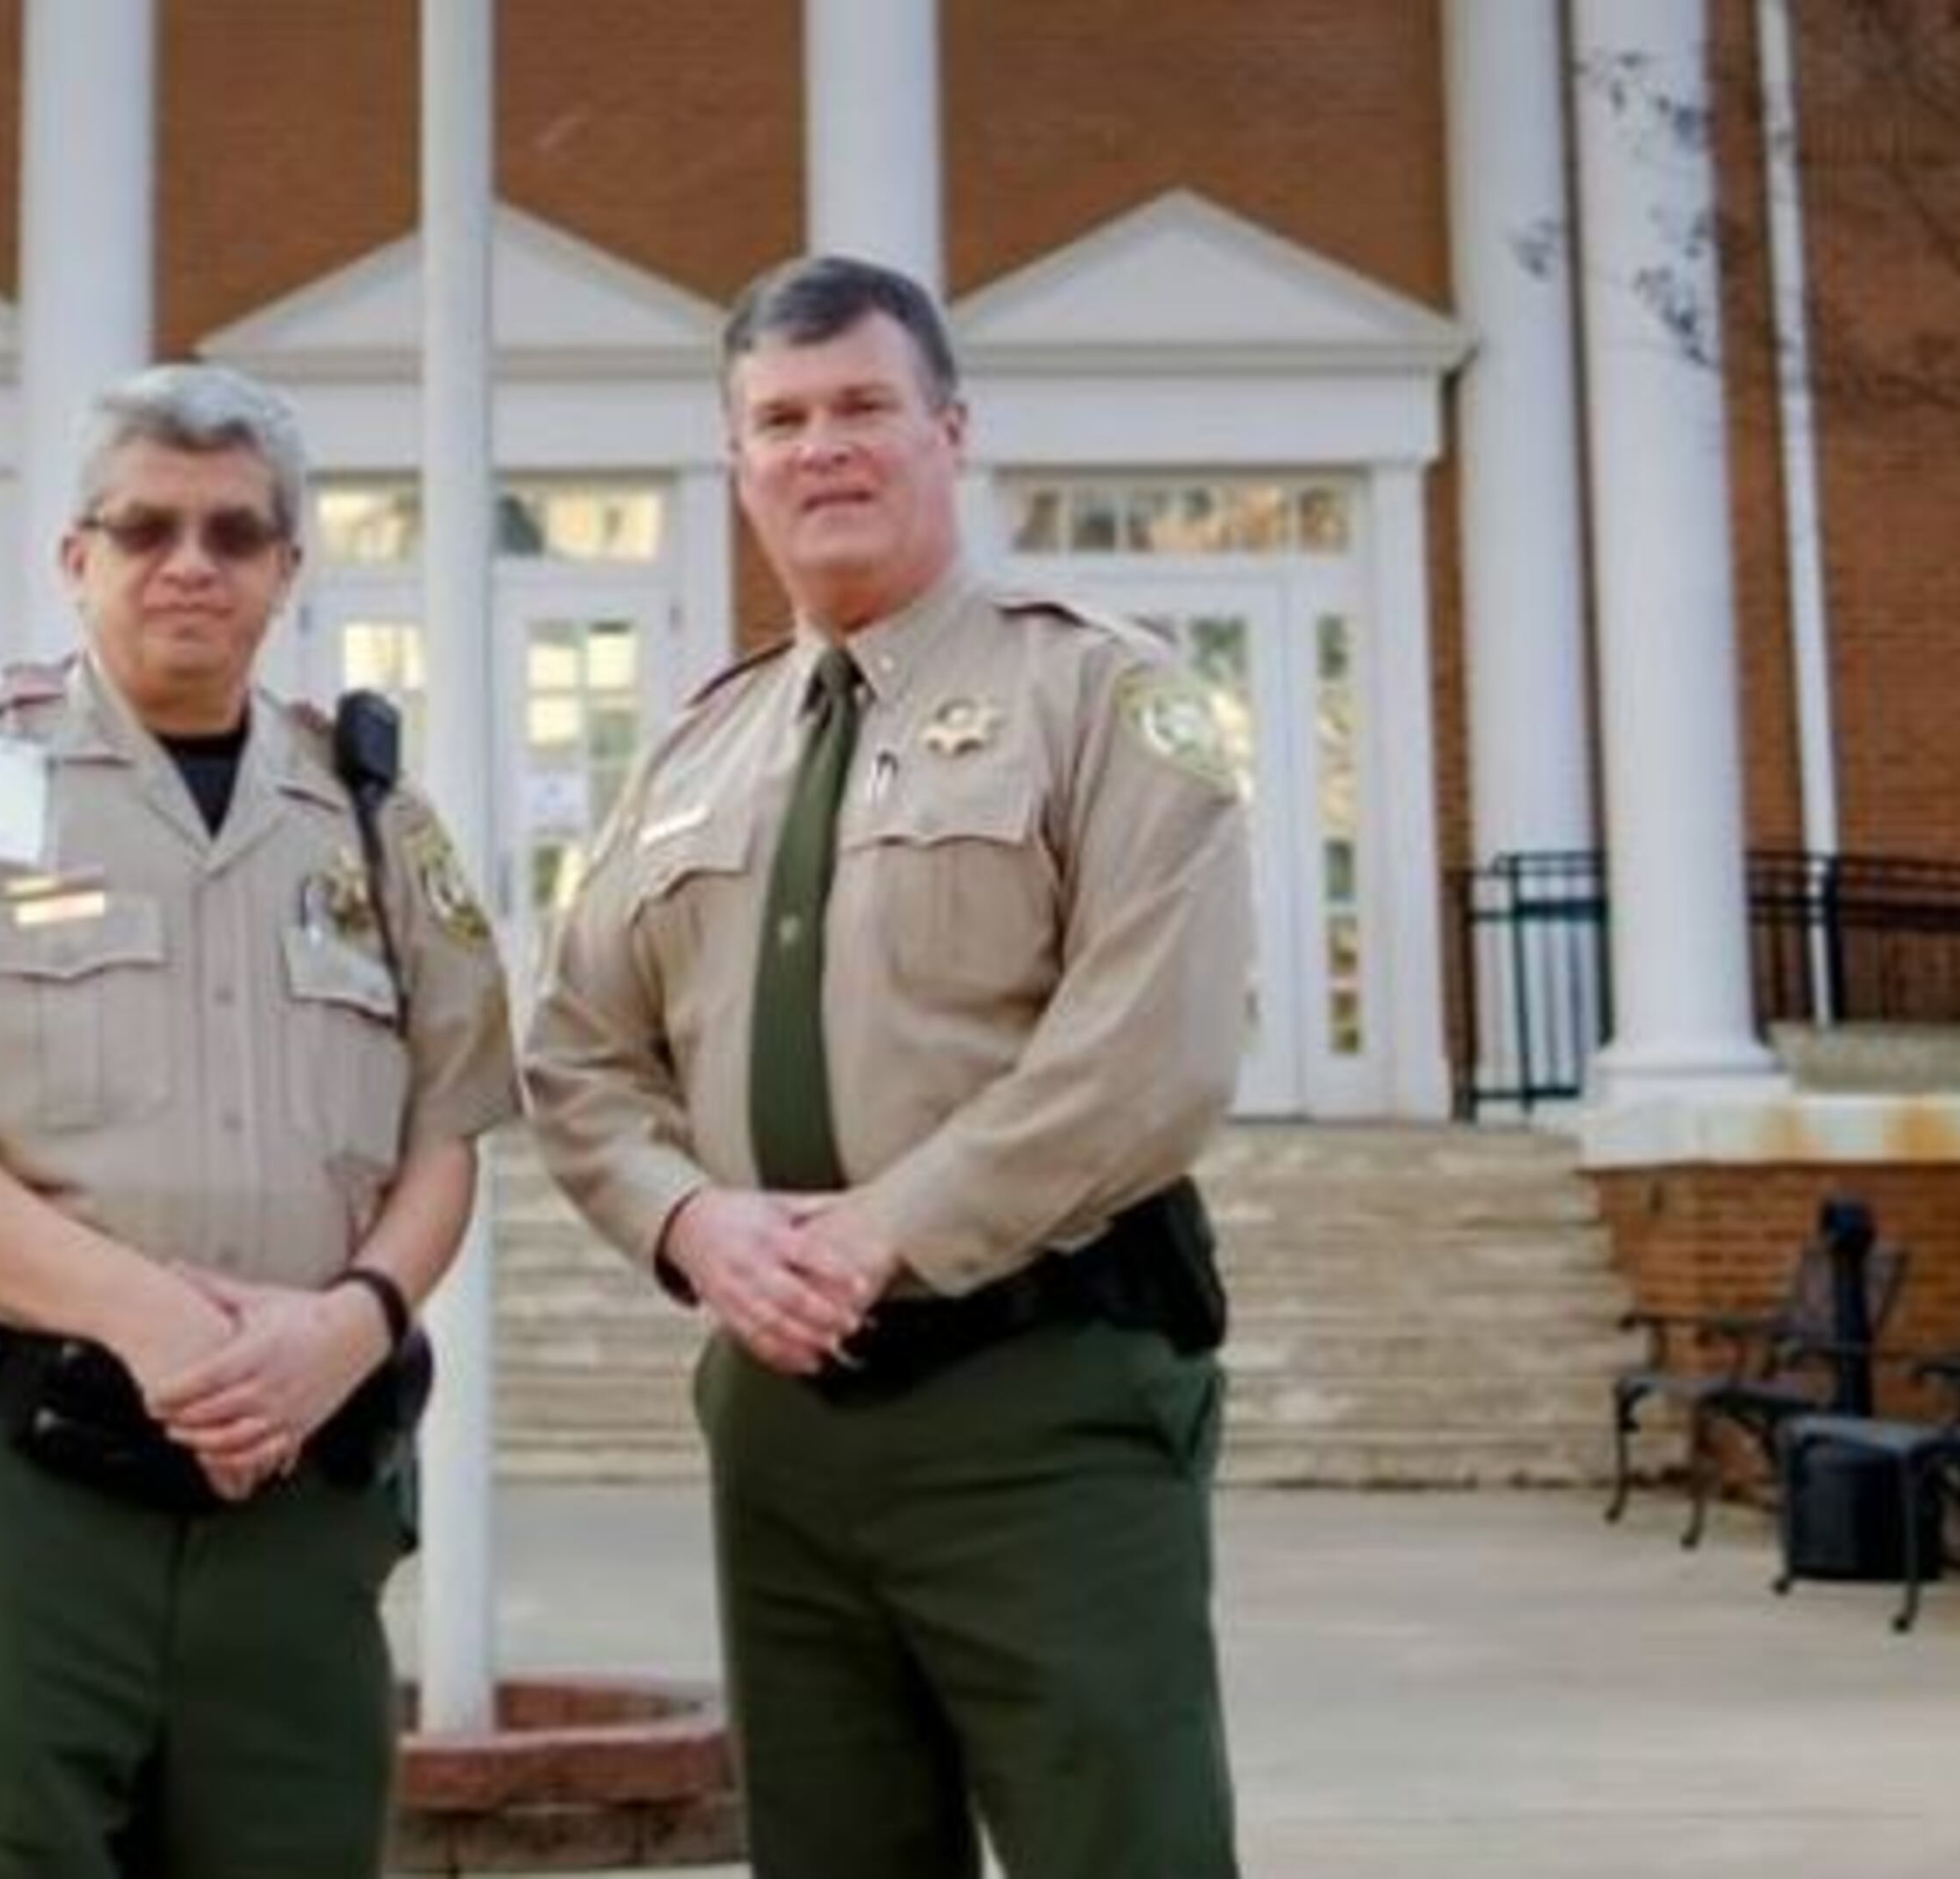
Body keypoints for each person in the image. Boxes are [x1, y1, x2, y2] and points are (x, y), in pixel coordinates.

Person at [522, 253, 1254, 1877]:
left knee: (1121, 1846)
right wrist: (693, 1225)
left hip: (1040, 1393)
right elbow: (578, 1053)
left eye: (863, 405)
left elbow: (1153, 1050)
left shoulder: (1101, 698)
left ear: (951, 430)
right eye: (779, 419)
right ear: (736, 464)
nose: (822, 447)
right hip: (783, 1423)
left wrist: (884, 1226)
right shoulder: (696, 752)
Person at [0, 362, 519, 1877]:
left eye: (237, 535)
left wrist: (350, 1328)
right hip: (21, 1495)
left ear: (288, 569)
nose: (192, 563)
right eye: (146, 528)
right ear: (76, 559)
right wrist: (153, 1323)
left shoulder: (373, 819)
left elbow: (449, 1136)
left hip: (296, 1501)